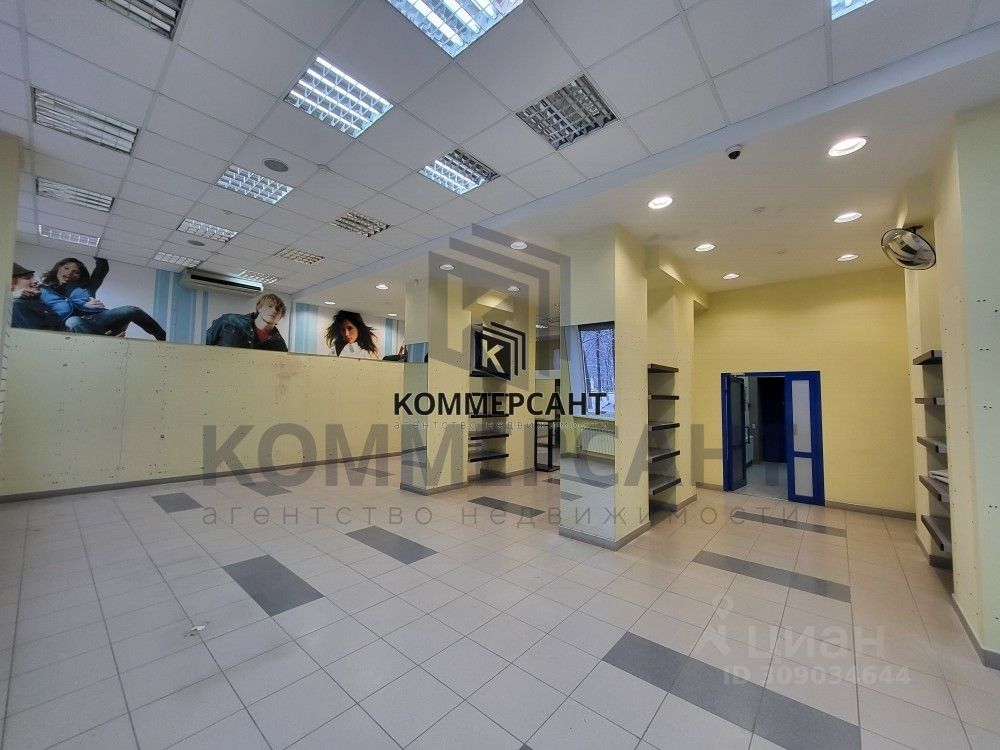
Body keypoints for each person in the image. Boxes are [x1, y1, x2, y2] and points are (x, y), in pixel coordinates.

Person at [39, 257, 167, 340]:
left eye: (75, 271)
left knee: (131, 310)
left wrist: (99, 251)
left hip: (100, 319)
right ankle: (105, 341)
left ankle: (163, 338)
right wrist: (81, 305)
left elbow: (102, 268)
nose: (70, 273)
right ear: (58, 269)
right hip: (77, 325)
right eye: (66, 268)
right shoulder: (45, 291)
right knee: (73, 321)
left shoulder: (87, 286)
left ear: (79, 275)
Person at [206, 293, 288, 352]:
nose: (274, 311)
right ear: (259, 308)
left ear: (280, 317)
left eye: (278, 309)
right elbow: (203, 344)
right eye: (270, 306)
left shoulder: (279, 344)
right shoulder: (229, 321)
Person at [10, 263, 63, 331]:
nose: (36, 281)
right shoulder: (18, 305)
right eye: (27, 278)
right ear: (12, 283)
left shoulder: (35, 300)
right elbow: (40, 334)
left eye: (32, 277)